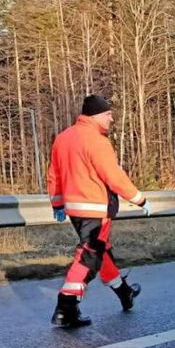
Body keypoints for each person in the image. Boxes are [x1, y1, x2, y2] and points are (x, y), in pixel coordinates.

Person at [46, 94, 150, 328]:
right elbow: (113, 176)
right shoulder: (96, 141)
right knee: (89, 255)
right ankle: (66, 306)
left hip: (75, 209)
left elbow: (54, 175)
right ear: (96, 115)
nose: (111, 120)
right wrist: (139, 199)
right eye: (108, 115)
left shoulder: (63, 138)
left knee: (101, 251)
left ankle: (125, 293)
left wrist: (58, 204)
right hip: (95, 208)